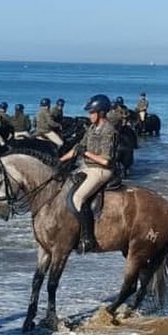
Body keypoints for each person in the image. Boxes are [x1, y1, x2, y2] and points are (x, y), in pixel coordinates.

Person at [58, 94, 118, 253]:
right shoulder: (91, 128)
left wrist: (87, 154)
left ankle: (87, 238)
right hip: (87, 167)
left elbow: (106, 160)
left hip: (101, 171)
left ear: (101, 113)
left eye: (92, 112)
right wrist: (59, 161)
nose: (89, 115)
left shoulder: (108, 131)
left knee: (77, 197)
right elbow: (78, 148)